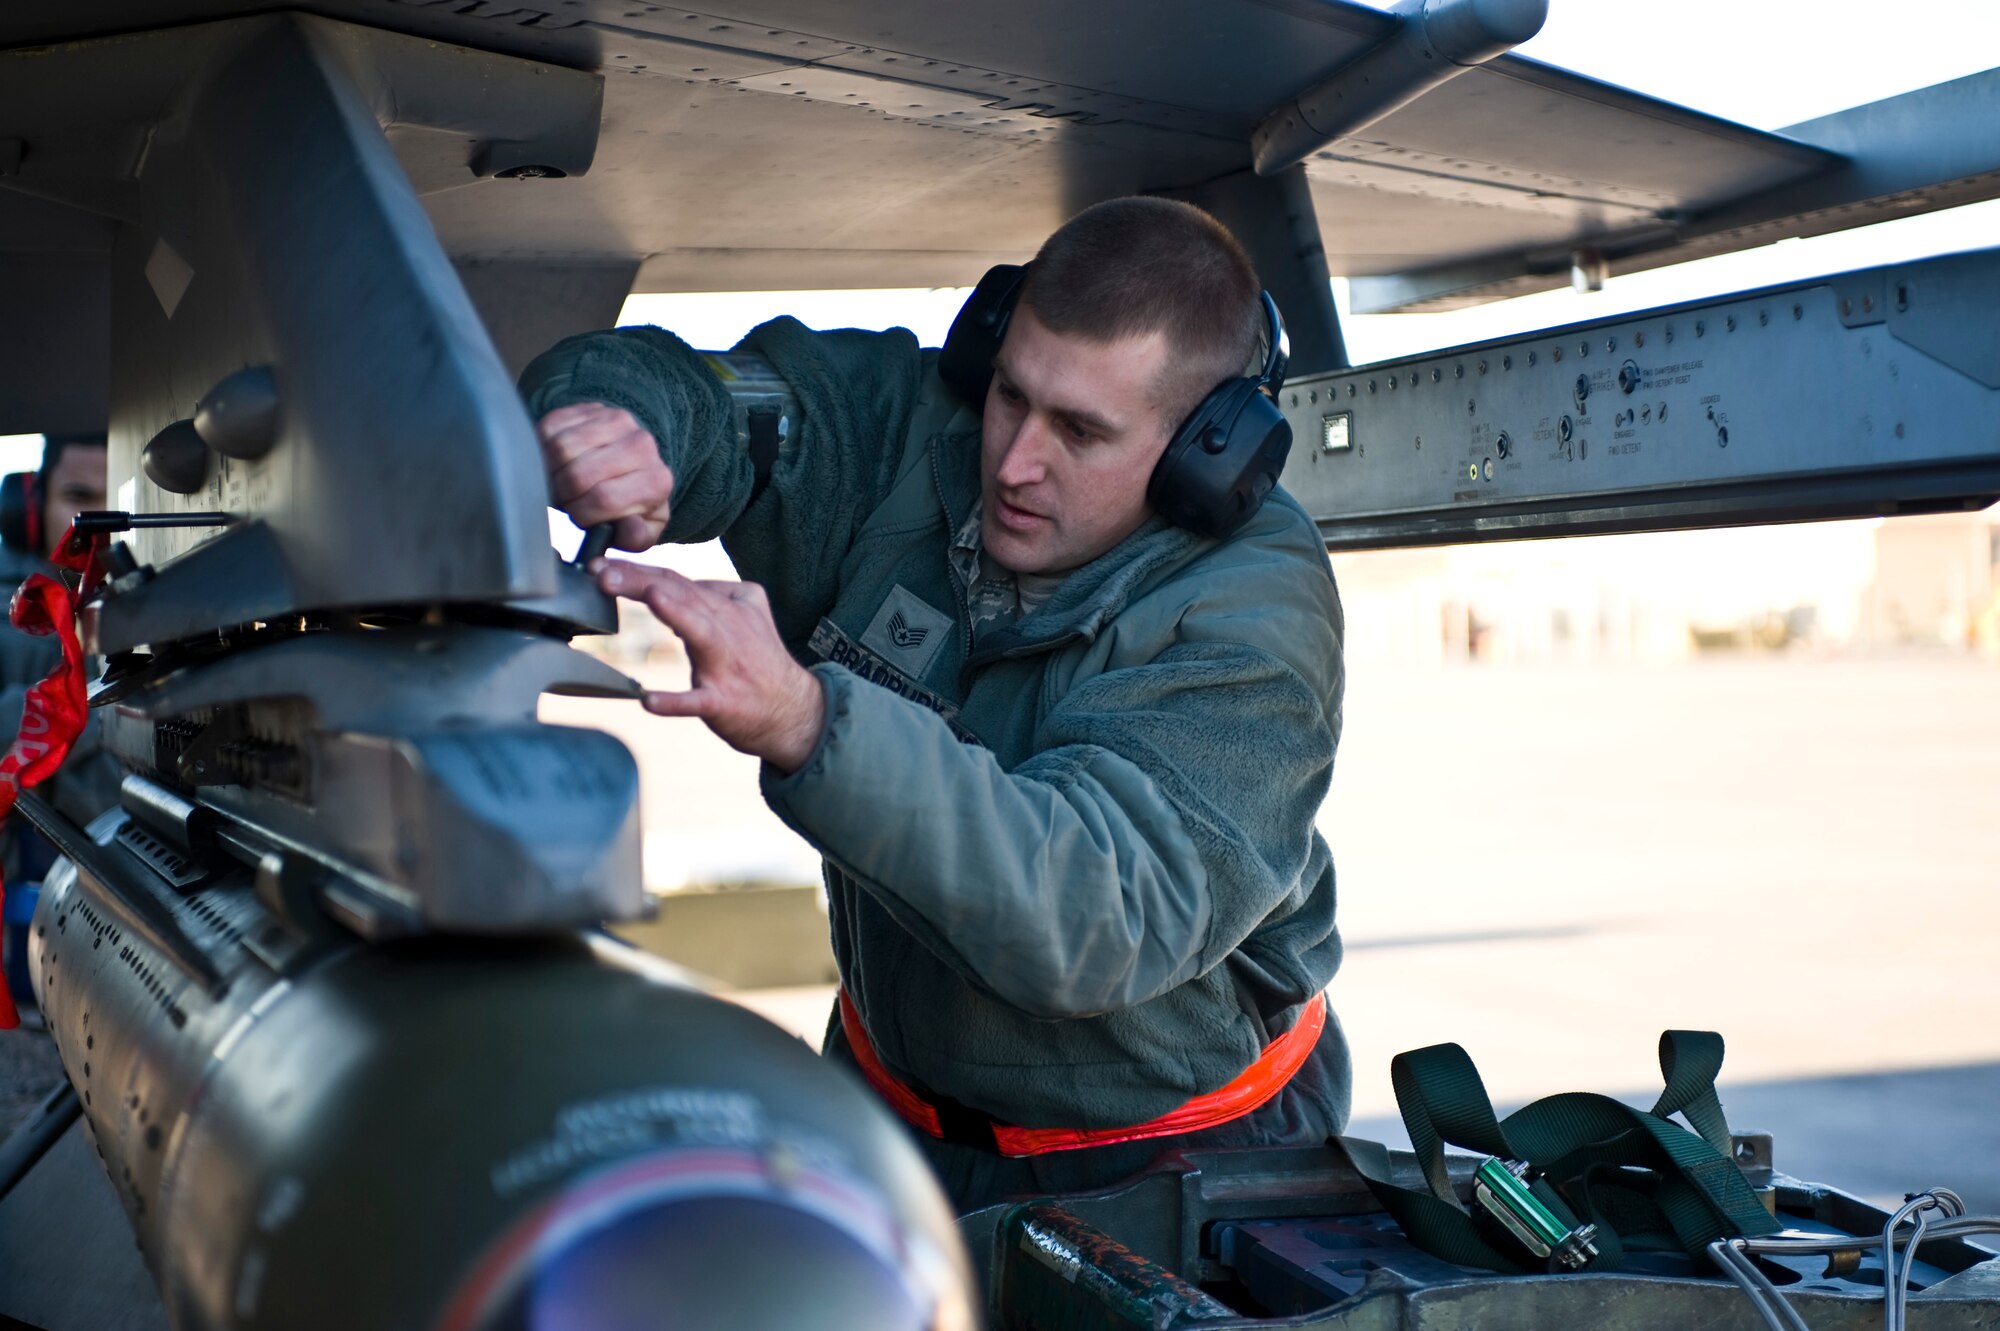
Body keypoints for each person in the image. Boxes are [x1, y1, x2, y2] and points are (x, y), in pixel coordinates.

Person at [522, 197, 1348, 1211]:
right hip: (892, 1111)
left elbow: (1093, 914)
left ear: (1203, 451)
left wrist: (808, 722)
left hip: (1171, 1162)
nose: (1013, 462)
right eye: (1011, 394)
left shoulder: (1250, 609)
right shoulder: (907, 430)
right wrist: (620, 423)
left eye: (1080, 432)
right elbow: (708, 390)